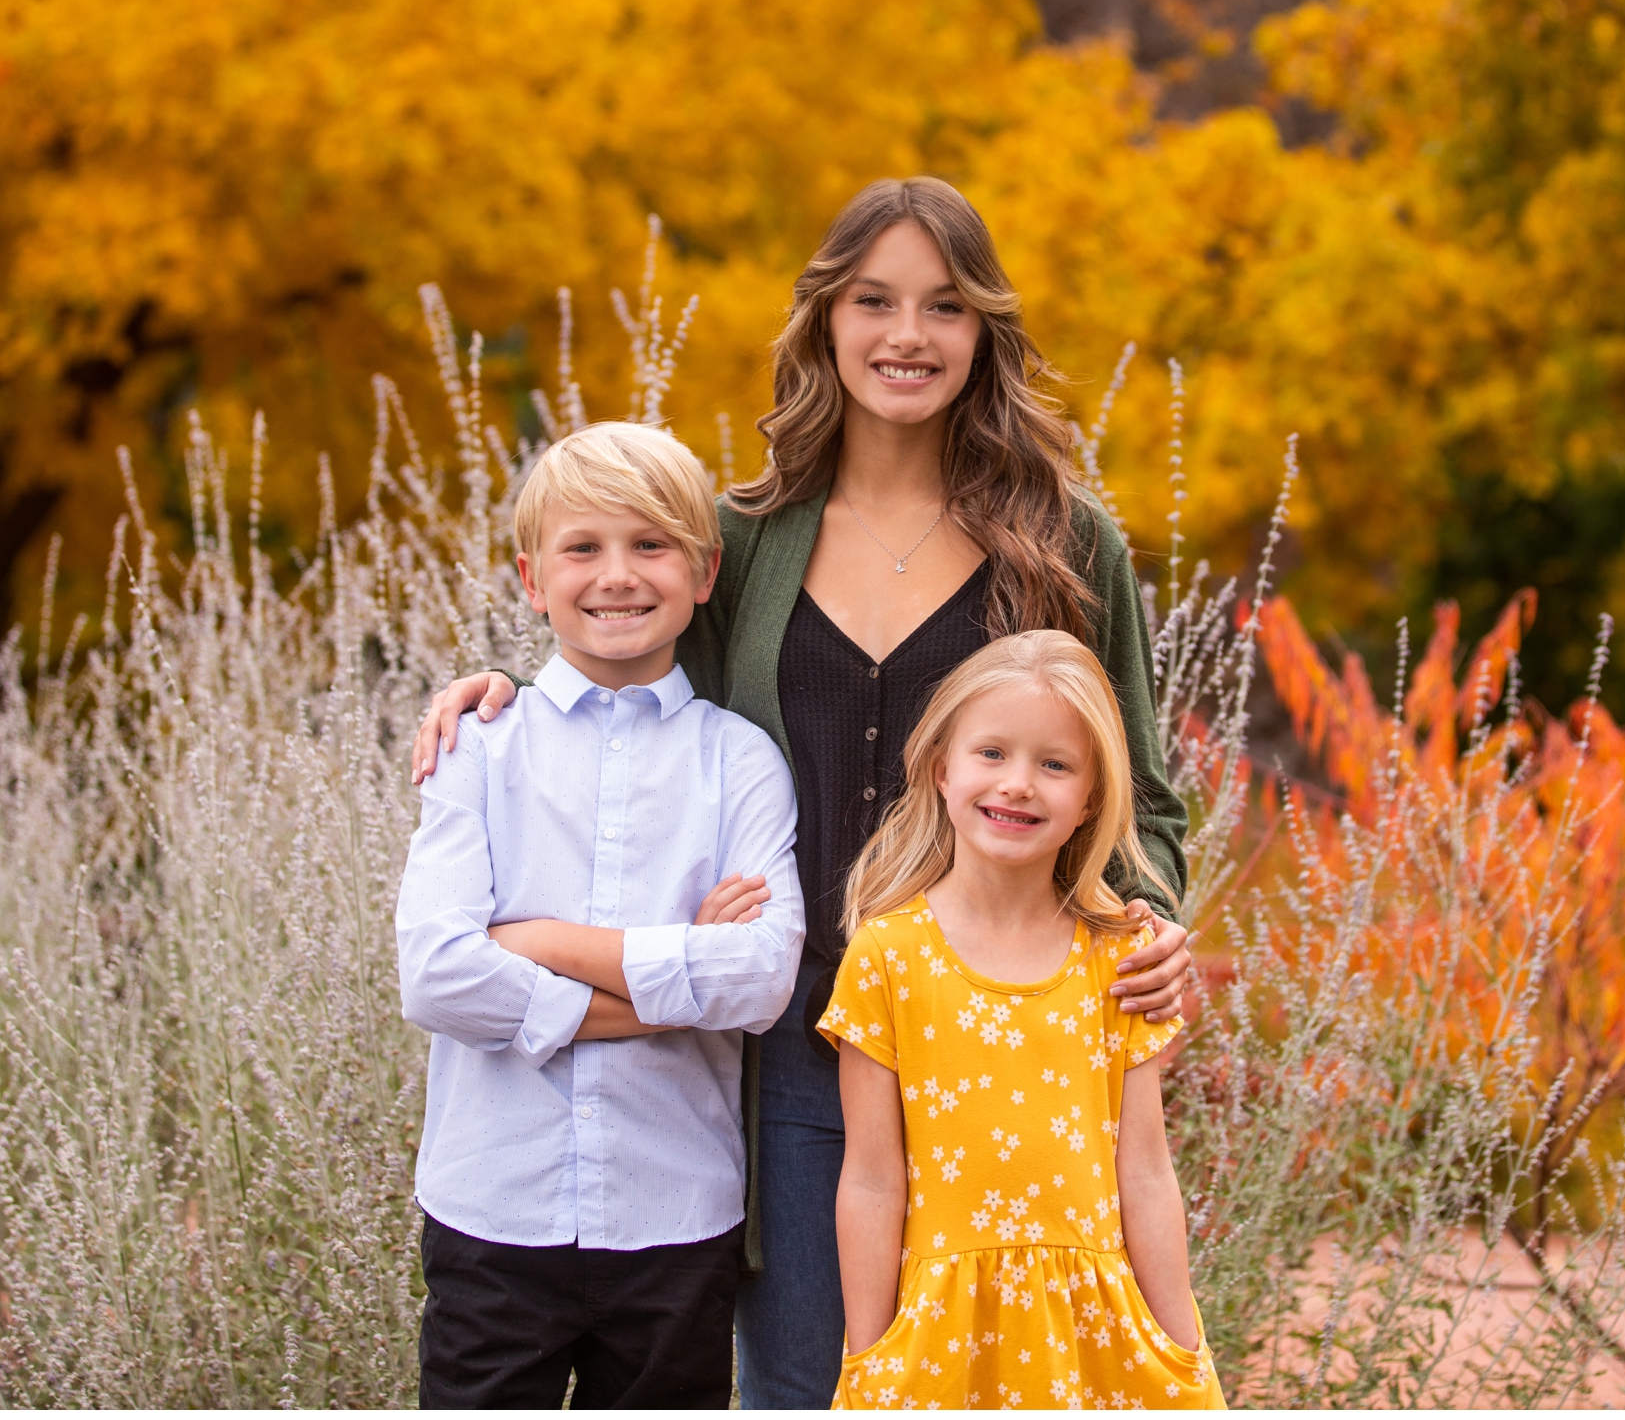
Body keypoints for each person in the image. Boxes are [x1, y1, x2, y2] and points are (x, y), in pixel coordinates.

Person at [409, 176, 1196, 1406]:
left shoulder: (1066, 544)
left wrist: (1147, 923)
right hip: (796, 1063)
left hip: (1010, 1059)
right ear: (825, 318)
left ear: (983, 330)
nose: (906, 335)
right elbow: (628, 665)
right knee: (810, 1389)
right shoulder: (746, 538)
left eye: (944, 306)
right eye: (873, 299)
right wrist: (504, 690)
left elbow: (1139, 801)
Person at [398, 421, 805, 1408]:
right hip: (494, 1211)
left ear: (705, 572)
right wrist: (676, 984)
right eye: (583, 547)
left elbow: (760, 974)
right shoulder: (480, 747)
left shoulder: (739, 758)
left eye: (650, 544)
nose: (617, 573)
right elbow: (439, 973)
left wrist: (536, 946)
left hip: (675, 1217)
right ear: (534, 579)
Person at [819, 630, 1222, 1409]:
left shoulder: (1118, 960)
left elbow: (1144, 1169)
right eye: (992, 753)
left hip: (1094, 1338)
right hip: (941, 1337)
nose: (1019, 784)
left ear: (1091, 799)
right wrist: (868, 1356)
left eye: (1055, 764)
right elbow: (871, 1178)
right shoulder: (887, 956)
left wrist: (1181, 1348)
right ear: (943, 767)